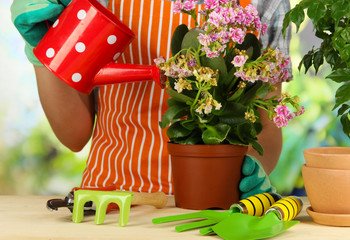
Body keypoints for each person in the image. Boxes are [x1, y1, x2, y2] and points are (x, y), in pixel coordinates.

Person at [11, 0, 291, 199]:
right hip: (110, 204)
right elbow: (74, 135)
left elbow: (266, 126)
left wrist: (253, 169)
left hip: (213, 208)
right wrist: (45, 49)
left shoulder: (266, 3)